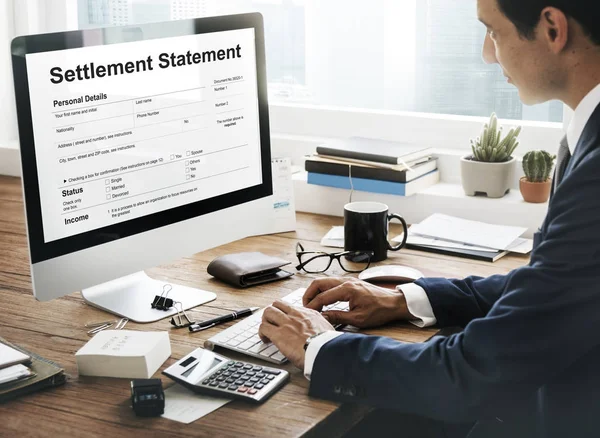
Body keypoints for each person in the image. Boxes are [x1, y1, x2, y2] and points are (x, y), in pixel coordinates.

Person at [258, 0, 600, 437]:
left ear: (553, 29)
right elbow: (553, 284)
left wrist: (318, 345)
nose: (487, 54)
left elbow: (471, 376)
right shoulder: (586, 129)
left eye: (493, 31)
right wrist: (408, 300)